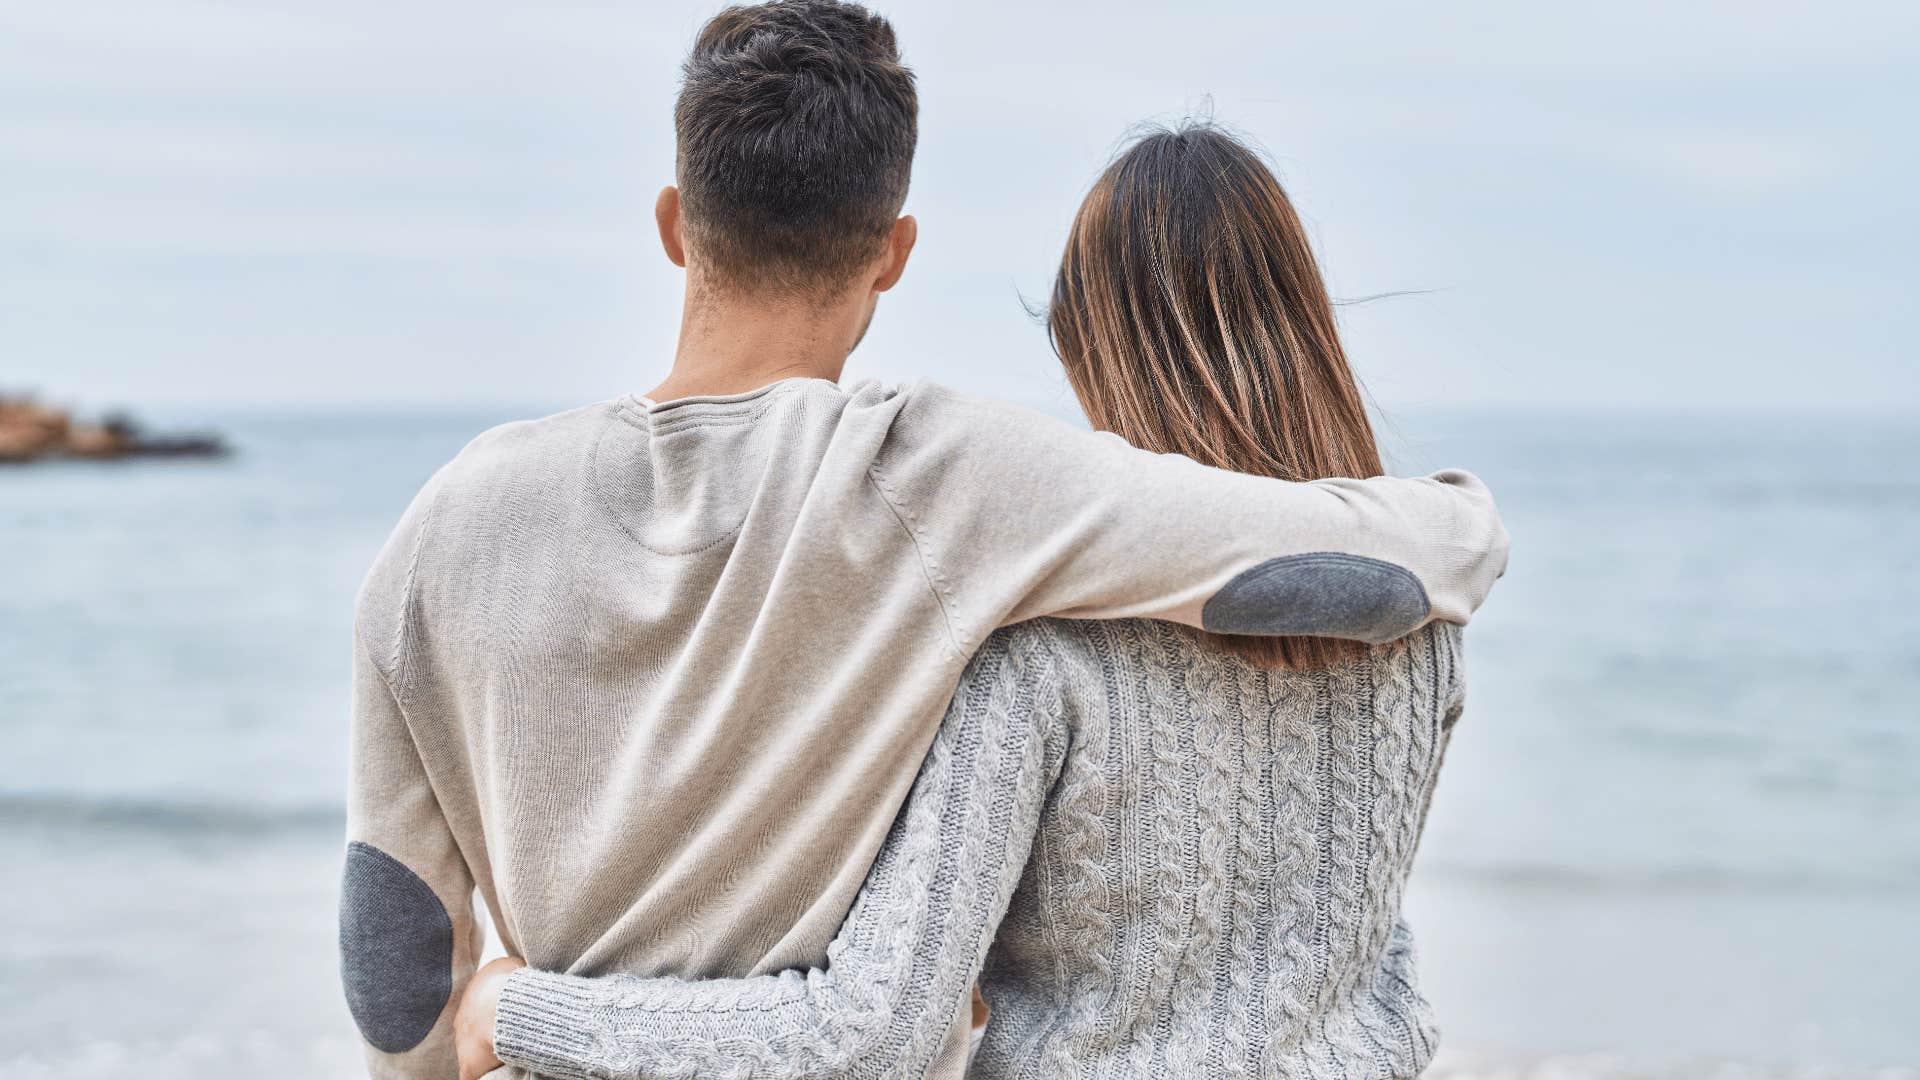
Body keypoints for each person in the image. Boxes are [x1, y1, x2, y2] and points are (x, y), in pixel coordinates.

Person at [338, 3, 1509, 1077]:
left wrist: (487, 1031)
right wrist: (1462, 523)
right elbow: (1320, 562)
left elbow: (394, 963)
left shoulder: (451, 522)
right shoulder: (949, 479)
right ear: (893, 252)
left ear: (674, 225)